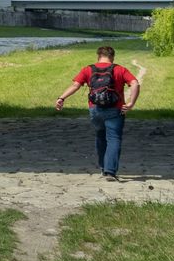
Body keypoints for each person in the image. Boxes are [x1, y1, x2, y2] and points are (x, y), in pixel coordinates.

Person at [55, 44, 140, 180]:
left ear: (98, 56)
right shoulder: (119, 69)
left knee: (100, 136)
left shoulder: (88, 69)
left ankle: (102, 167)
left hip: (95, 110)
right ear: (112, 56)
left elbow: (75, 85)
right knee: (113, 138)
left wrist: (61, 98)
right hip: (115, 109)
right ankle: (110, 171)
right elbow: (135, 83)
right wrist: (131, 103)